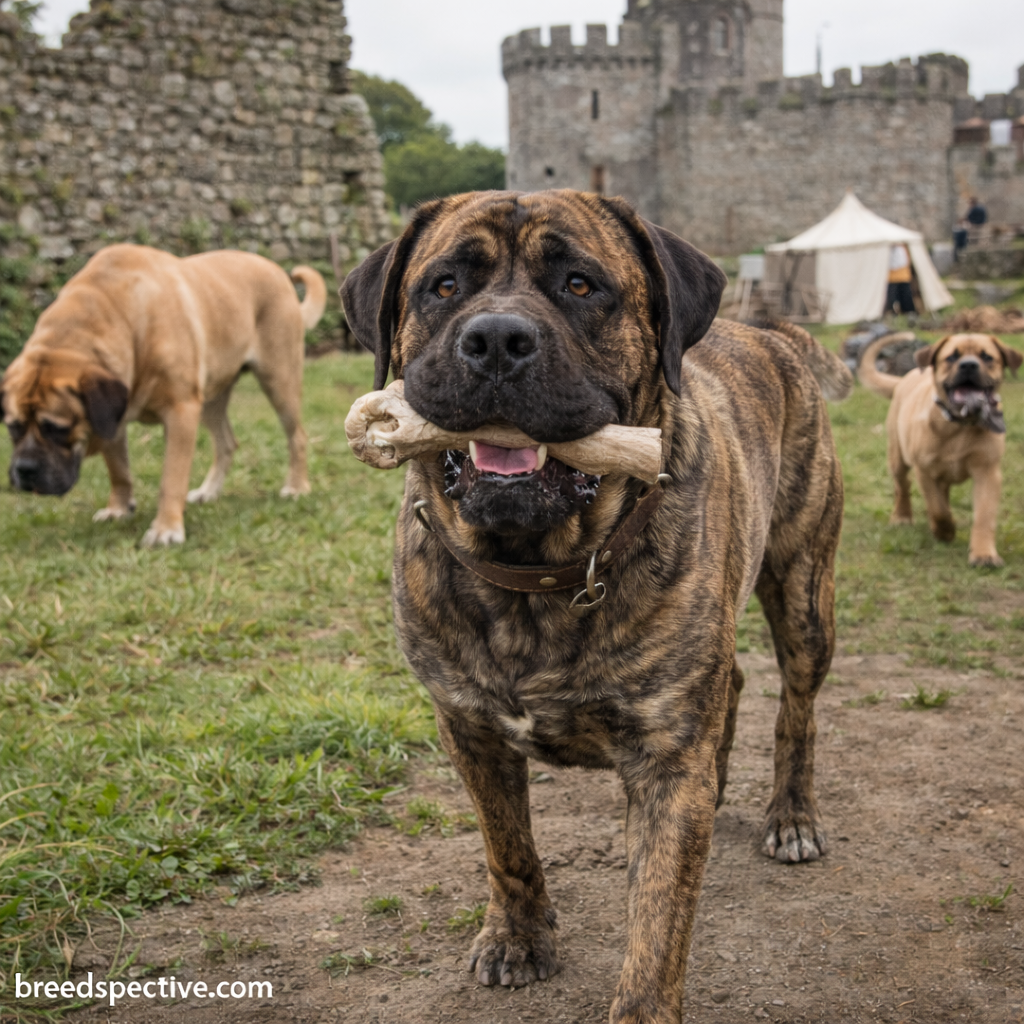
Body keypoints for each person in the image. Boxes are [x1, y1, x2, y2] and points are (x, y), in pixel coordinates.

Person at [886, 243, 915, 315]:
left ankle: (908, 312)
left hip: (903, 276)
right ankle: (894, 313)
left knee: (906, 297)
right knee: (893, 298)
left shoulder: (903, 246)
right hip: (891, 278)